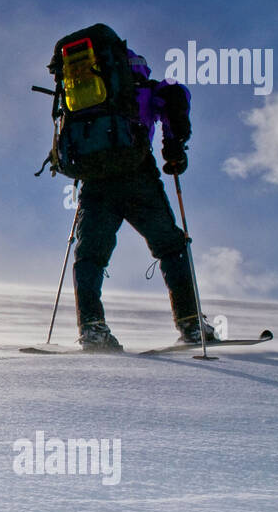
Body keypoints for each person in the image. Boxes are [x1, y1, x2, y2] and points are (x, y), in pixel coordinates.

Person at [69, 46, 217, 352]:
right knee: (171, 246)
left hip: (95, 180)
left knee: (90, 255)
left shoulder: (86, 97)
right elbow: (177, 95)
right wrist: (174, 148)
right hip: (138, 176)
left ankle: (92, 328)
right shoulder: (148, 90)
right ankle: (190, 323)